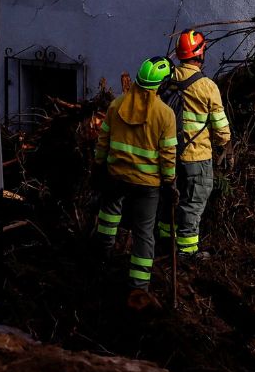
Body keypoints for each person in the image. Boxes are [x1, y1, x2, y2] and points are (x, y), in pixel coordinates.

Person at [93, 57, 179, 299]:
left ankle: (101, 260)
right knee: (144, 233)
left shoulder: (116, 105)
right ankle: (138, 288)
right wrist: (169, 182)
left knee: (108, 219)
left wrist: (98, 166)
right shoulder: (165, 114)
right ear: (162, 84)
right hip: (147, 184)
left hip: (115, 176)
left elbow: (103, 141)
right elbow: (168, 154)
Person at [158, 31, 231, 261]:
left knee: (168, 200)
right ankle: (187, 252)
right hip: (196, 157)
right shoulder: (207, 86)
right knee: (192, 203)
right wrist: (224, 145)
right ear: (200, 53)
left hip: (168, 155)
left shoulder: (168, 79)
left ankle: (163, 244)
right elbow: (221, 129)